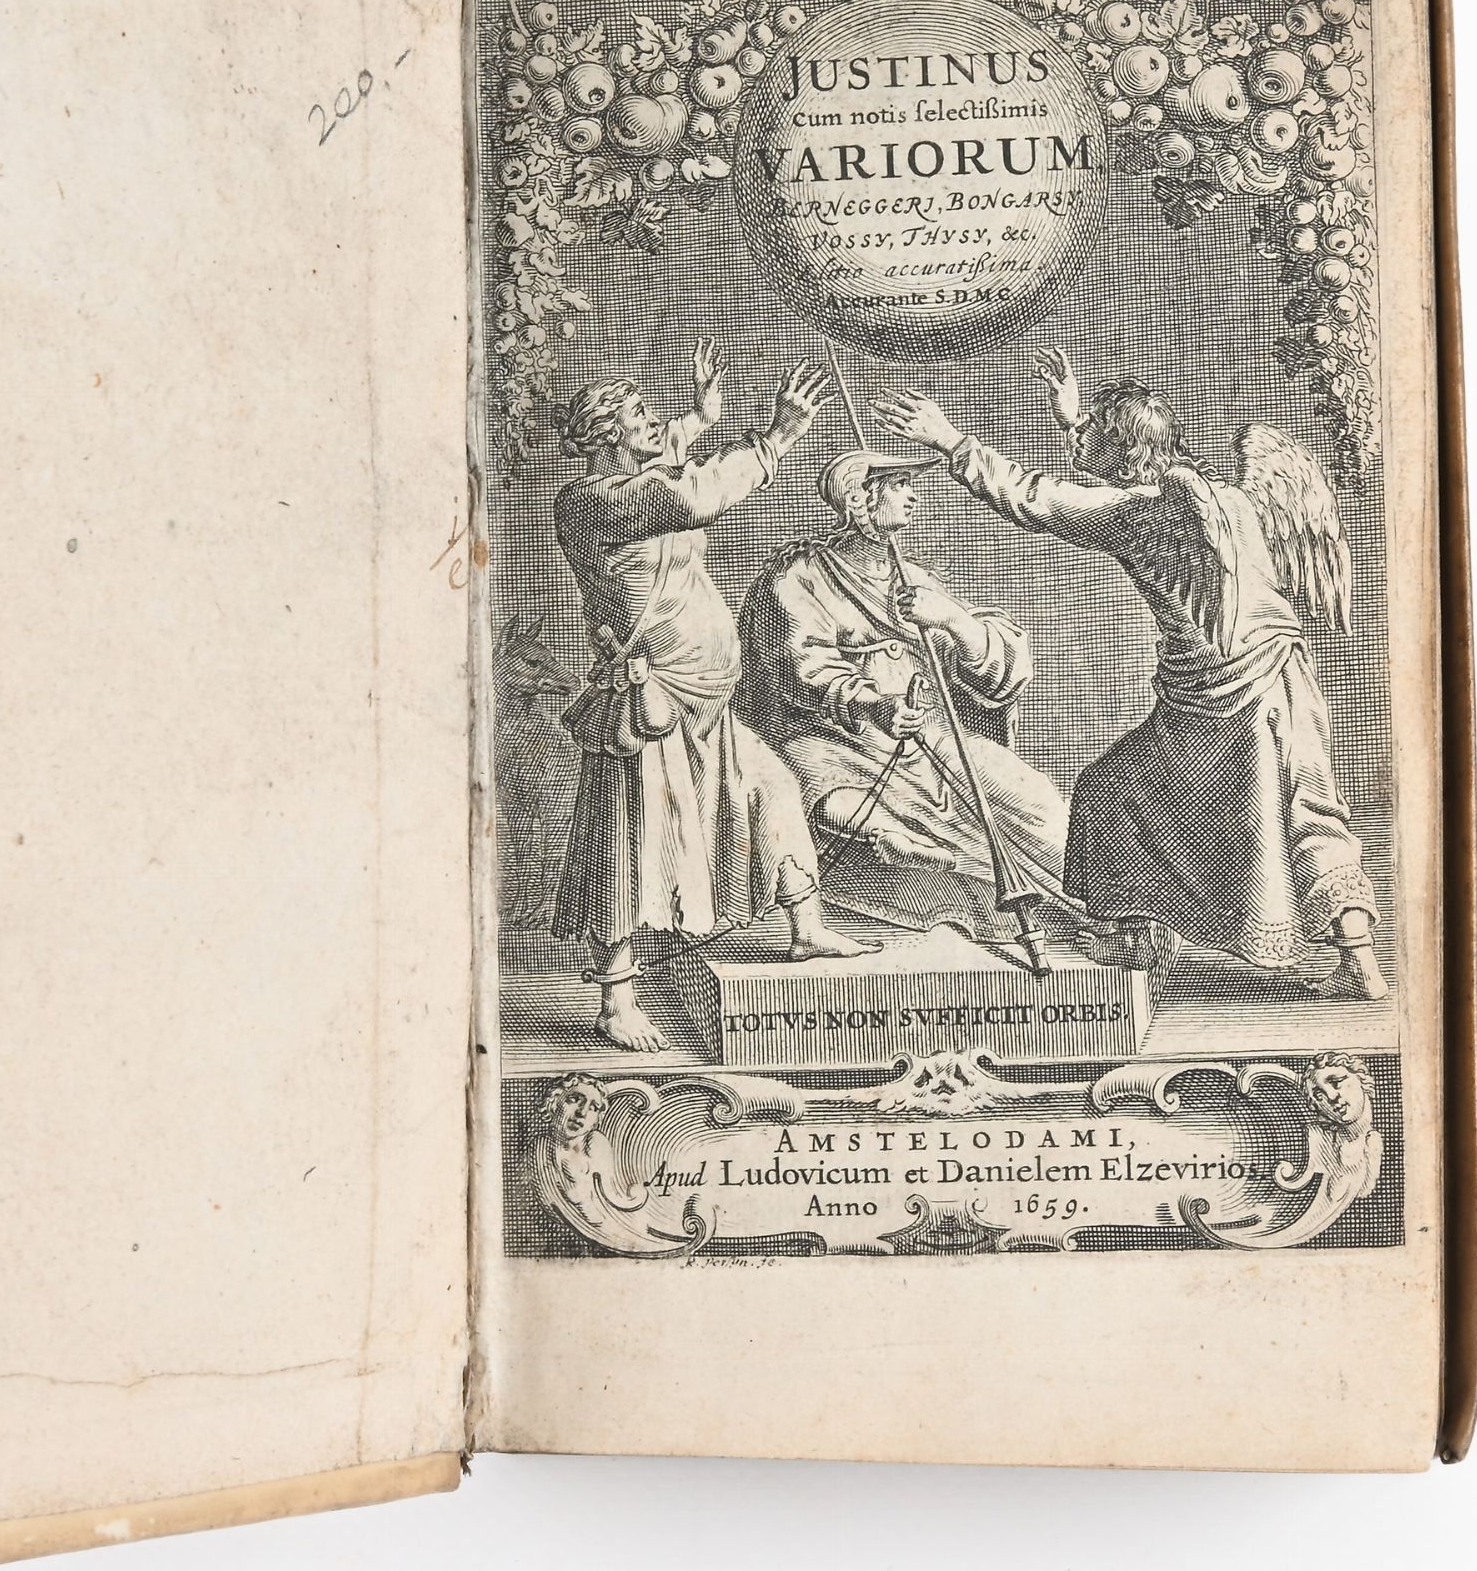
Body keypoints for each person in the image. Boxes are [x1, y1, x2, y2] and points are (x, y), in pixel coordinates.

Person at [878, 347, 1389, 1000]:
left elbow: (1037, 499)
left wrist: (950, 440)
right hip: (1278, 676)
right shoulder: (1236, 494)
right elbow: (1101, 481)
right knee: (1305, 809)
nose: (1082, 438)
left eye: (1095, 429)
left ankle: (1143, 935)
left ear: (1122, 452)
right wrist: (1071, 421)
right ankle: (1353, 959)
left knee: (1117, 792)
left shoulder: (1137, 515)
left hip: (1220, 699)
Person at [550, 340, 873, 1051]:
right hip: (652, 703)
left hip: (707, 700)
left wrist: (699, 418)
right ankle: (616, 1000)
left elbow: (662, 465)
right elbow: (689, 494)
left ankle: (807, 927)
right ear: (604, 434)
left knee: (772, 785)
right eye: (638, 413)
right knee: (629, 840)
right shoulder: (590, 503)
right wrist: (778, 436)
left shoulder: (631, 485)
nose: (653, 419)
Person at [734, 447, 1068, 949]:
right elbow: (800, 668)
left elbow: (993, 676)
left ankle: (1095, 907)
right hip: (837, 739)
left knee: (1036, 801)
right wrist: (873, 705)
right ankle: (890, 840)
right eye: (899, 485)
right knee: (823, 786)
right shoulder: (799, 576)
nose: (913, 496)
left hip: (928, 741)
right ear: (859, 498)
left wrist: (953, 620)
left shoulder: (916, 581)